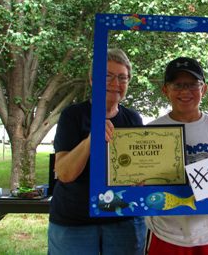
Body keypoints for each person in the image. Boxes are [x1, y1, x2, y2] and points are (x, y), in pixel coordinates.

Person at [48, 48, 146, 255]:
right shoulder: (72, 116)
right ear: (93, 80)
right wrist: (92, 139)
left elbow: (138, 170)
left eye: (122, 78)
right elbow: (64, 173)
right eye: (108, 76)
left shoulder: (133, 119)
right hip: (75, 222)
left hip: (123, 219)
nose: (115, 83)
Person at [145, 57, 208, 255]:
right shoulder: (150, 131)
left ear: (204, 89)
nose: (184, 91)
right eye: (178, 85)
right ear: (166, 90)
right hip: (166, 233)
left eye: (192, 85)